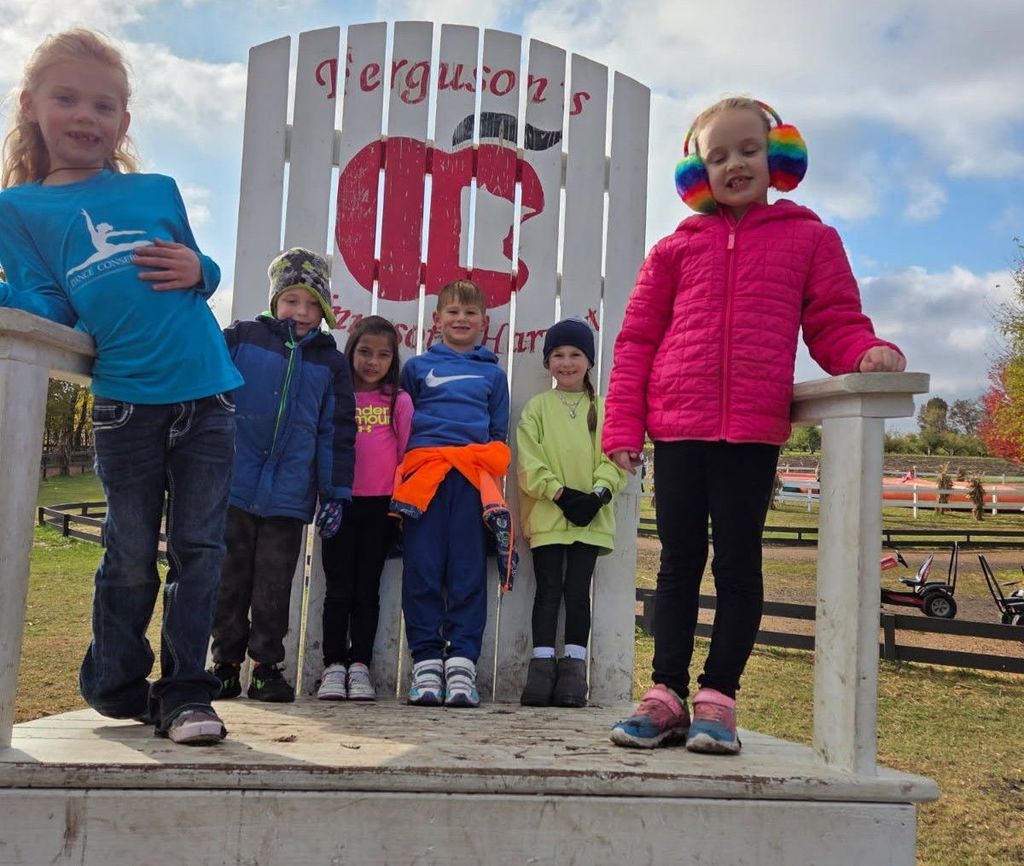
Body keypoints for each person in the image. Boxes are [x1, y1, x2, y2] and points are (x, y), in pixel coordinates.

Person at [604, 97, 906, 754]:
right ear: (696, 175)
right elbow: (636, 340)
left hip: (751, 430)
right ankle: (664, 695)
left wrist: (866, 353)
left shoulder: (811, 238)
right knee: (678, 564)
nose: (734, 164)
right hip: (678, 430)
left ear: (781, 158)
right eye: (717, 156)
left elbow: (833, 321)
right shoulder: (674, 250)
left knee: (738, 564)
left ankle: (718, 697)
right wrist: (623, 424)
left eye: (748, 149)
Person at [0, 30, 243, 745]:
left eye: (104, 105)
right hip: (126, 401)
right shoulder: (17, 208)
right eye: (67, 98)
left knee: (200, 549)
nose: (86, 116)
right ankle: (114, 681)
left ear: (124, 122)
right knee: (130, 549)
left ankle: (188, 696)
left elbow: (199, 275)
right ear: (32, 106)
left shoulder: (156, 189)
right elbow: (48, 300)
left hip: (209, 394)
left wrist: (205, 270)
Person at [210, 248, 356, 704]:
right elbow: (208, 395)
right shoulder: (240, 338)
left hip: (290, 496)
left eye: (313, 304)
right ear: (275, 300)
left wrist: (334, 493)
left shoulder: (330, 363)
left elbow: (337, 431)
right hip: (233, 485)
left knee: (274, 585)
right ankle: (225, 665)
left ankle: (267, 668)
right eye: (293, 300)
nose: (302, 312)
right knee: (228, 579)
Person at [390, 279, 511, 708]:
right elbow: (401, 428)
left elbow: (498, 432)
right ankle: (425, 662)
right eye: (453, 313)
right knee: (421, 568)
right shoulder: (417, 369)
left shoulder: (493, 375)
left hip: (471, 480)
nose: (461, 320)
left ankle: (461, 663)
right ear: (437, 319)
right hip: (424, 480)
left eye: (470, 313)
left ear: (484, 322)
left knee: (467, 571)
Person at [516, 317, 625, 708]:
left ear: (589, 361)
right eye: (558, 355)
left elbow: (616, 456)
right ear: (548, 362)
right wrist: (558, 494)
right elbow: (529, 461)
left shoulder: (603, 407)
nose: (566, 362)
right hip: (547, 516)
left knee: (577, 592)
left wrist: (596, 495)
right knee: (547, 590)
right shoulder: (537, 408)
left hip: (591, 519)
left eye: (575, 354)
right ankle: (541, 667)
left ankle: (574, 671)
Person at [317, 316, 412, 701]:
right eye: (365, 352)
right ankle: (333, 666)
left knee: (367, 590)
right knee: (337, 589)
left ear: (393, 360)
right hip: (339, 503)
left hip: (380, 508)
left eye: (383, 355)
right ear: (351, 351)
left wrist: (402, 506)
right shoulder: (336, 396)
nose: (373, 361)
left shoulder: (398, 401)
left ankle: (360, 667)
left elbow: (407, 455)